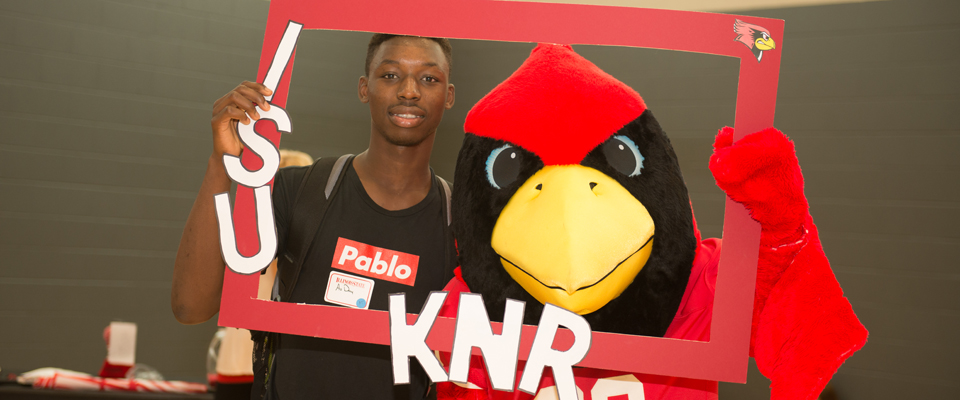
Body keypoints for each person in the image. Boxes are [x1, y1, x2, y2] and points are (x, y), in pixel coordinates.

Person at [172, 34, 457, 400]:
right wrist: (220, 164)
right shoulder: (300, 190)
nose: (408, 91)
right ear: (364, 87)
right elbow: (190, 306)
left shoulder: (459, 221)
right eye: (390, 75)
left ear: (449, 95)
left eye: (429, 78)